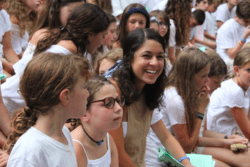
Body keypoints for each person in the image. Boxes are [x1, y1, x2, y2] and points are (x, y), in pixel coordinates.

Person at [146, 47, 250, 167]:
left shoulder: (193, 94)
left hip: (187, 150)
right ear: (189, 76)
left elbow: (200, 134)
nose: (207, 81)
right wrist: (200, 110)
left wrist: (227, 140)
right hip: (168, 156)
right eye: (204, 76)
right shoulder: (175, 99)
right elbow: (188, 146)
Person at [1, 3, 110, 115]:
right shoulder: (66, 50)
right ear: (91, 34)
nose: (102, 42)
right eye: (102, 36)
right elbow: (28, 78)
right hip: (9, 105)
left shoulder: (61, 39)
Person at [109, 28, 193, 167]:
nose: (154, 63)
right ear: (129, 58)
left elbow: (166, 137)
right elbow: (118, 153)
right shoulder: (114, 93)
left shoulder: (147, 90)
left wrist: (187, 164)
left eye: (160, 56)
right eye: (147, 56)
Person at [5, 52, 90, 167]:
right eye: (84, 87)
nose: (88, 93)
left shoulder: (64, 133)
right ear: (65, 96)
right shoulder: (29, 153)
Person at [71, 75, 122, 167]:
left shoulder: (107, 139)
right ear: (84, 113)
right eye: (108, 103)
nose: (118, 108)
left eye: (118, 100)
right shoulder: (75, 148)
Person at [207, 48, 250, 139]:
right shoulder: (235, 91)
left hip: (232, 136)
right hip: (218, 139)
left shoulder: (246, 86)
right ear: (237, 70)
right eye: (248, 70)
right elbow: (247, 132)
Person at [216, 0, 250, 65]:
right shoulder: (227, 27)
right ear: (237, 16)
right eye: (246, 21)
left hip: (242, 59)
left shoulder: (245, 25)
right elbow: (231, 55)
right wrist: (244, 37)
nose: (248, 24)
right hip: (228, 63)